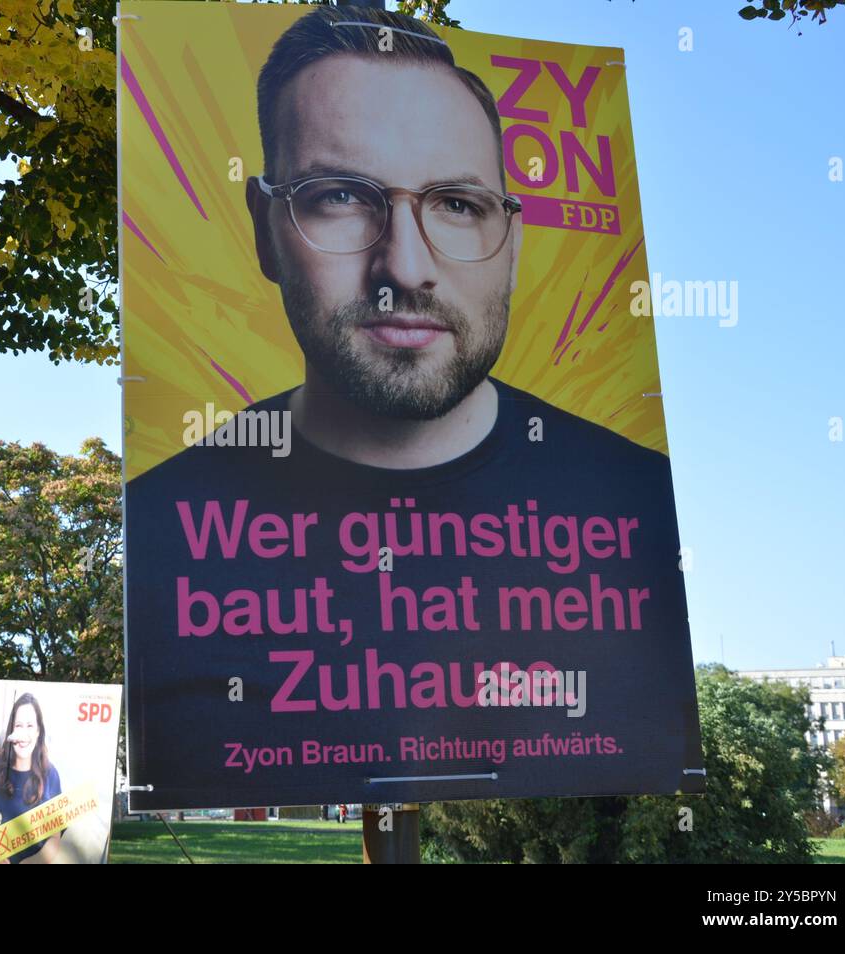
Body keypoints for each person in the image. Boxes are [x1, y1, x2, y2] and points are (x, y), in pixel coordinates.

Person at [124, 5, 699, 809]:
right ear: (264, 228)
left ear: (514, 239)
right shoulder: (158, 527)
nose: (406, 265)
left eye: (458, 204)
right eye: (341, 197)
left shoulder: (634, 501)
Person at [0, 693, 63, 864]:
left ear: (38, 731)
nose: (23, 733)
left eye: (30, 726)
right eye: (18, 725)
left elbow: (55, 837)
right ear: (11, 731)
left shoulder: (51, 774)